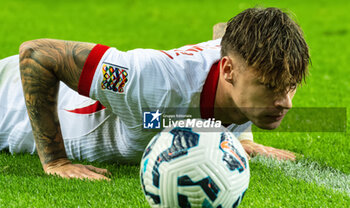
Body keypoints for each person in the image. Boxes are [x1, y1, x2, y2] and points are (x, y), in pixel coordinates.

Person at [0, 7, 309, 180]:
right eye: (269, 87)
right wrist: (56, 161)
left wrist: (241, 138)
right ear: (228, 70)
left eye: (290, 86)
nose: (286, 103)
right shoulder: (149, 79)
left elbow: (224, 31)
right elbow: (37, 54)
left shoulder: (235, 62)